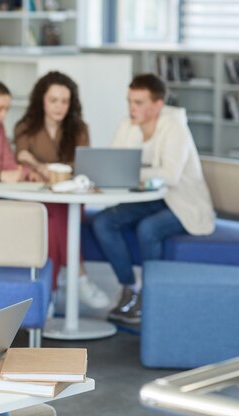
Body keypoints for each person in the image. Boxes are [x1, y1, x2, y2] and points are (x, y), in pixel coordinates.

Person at [92, 74, 215, 324]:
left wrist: (131, 173)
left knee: (148, 229)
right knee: (103, 222)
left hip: (180, 202)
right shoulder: (127, 125)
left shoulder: (175, 127)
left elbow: (169, 176)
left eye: (138, 102)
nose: (131, 108)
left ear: (157, 105)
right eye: (129, 101)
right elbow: (114, 165)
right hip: (146, 199)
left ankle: (152, 296)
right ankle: (129, 288)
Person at [14, 71, 110, 309]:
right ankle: (79, 277)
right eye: (53, 100)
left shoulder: (79, 129)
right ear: (42, 100)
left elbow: (83, 164)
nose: (59, 107)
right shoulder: (25, 127)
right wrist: (40, 167)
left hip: (70, 198)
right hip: (35, 200)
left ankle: (50, 292)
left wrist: (45, 167)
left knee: (58, 214)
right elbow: (21, 157)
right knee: (54, 216)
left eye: (64, 101)